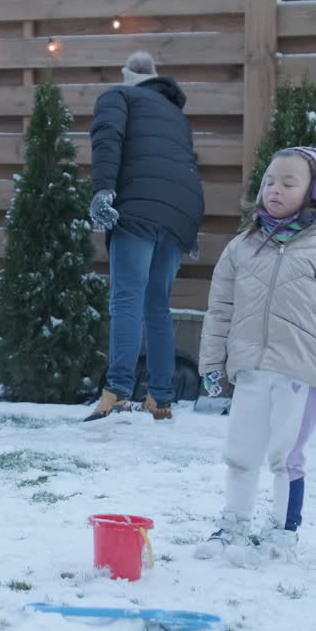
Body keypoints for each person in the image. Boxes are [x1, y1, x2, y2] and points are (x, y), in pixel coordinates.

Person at [193, 146, 316, 564]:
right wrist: (213, 364)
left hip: (300, 374)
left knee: (284, 456)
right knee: (240, 453)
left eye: (289, 183)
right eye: (270, 181)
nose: (275, 189)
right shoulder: (241, 249)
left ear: (315, 194)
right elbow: (220, 312)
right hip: (251, 372)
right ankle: (233, 525)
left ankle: (282, 533)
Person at [85, 51, 204, 423]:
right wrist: (190, 226)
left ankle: (117, 394)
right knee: (157, 307)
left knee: (127, 300)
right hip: (177, 216)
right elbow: (187, 166)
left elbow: (108, 138)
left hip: (137, 210)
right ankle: (160, 400)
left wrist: (102, 190)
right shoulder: (176, 116)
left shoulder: (118, 96)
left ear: (127, 76)